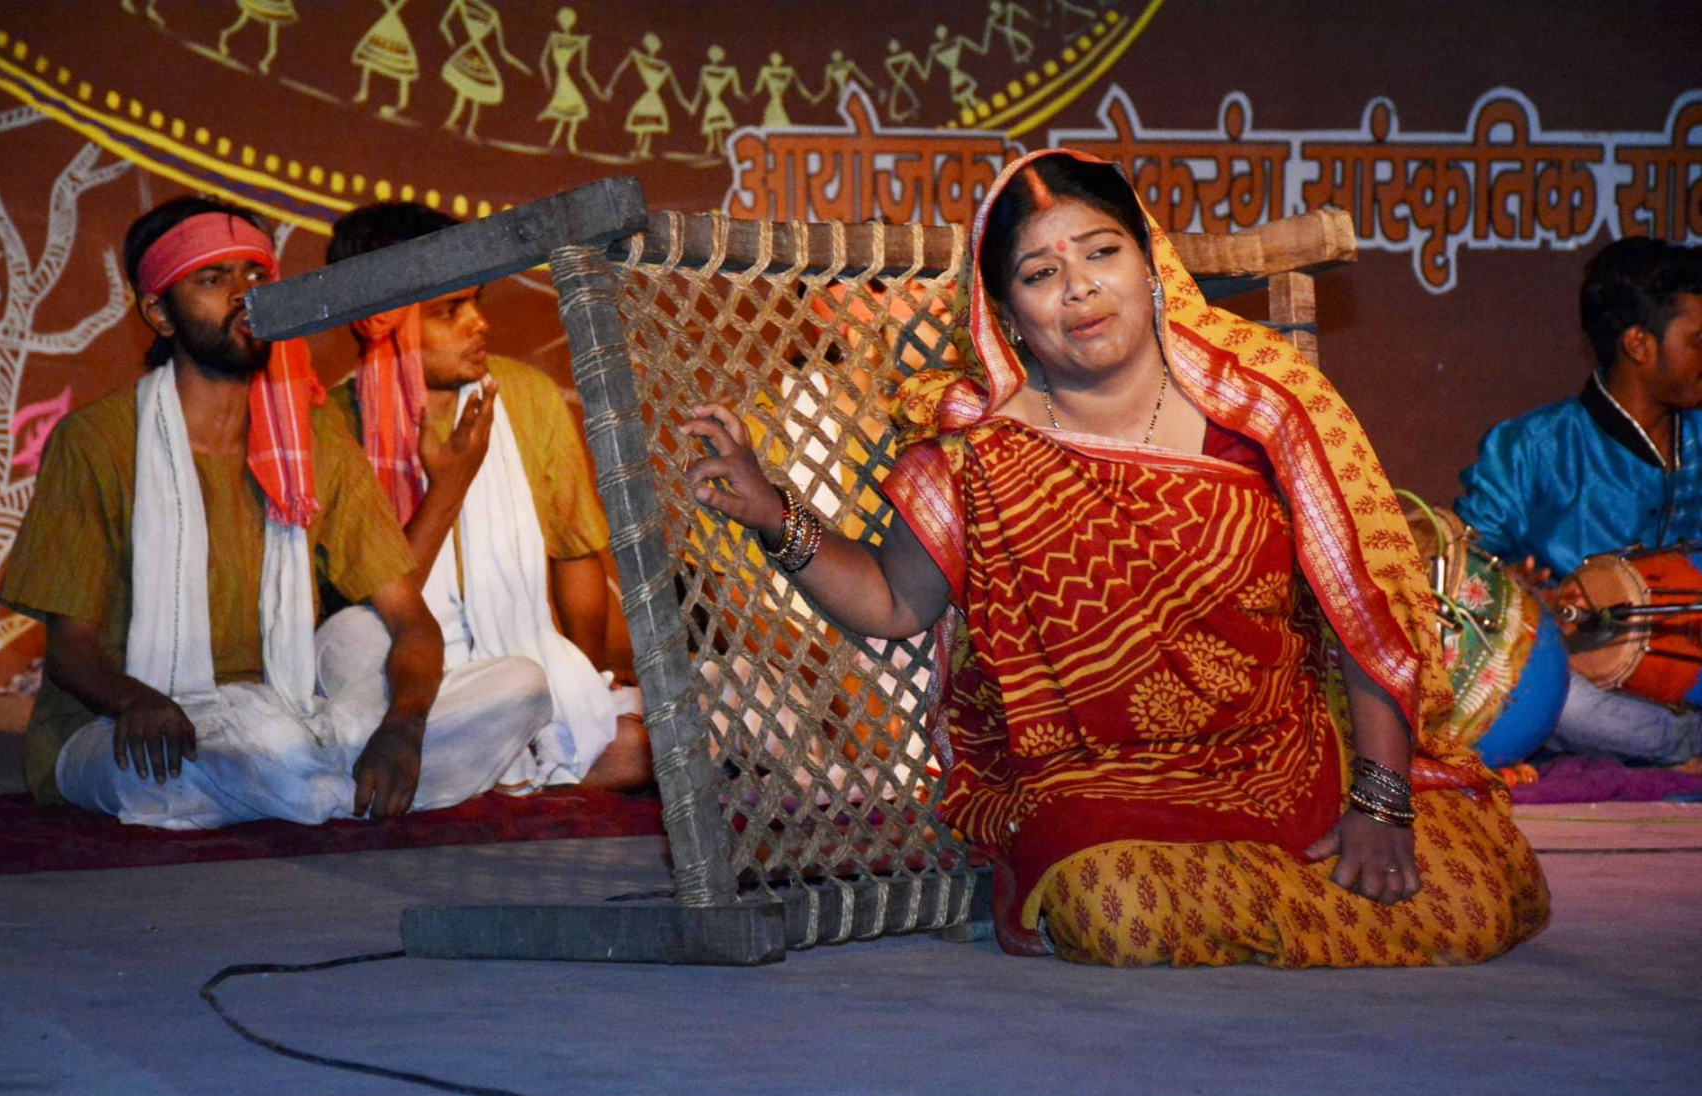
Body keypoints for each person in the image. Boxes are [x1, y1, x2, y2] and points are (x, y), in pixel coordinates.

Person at [684, 149, 1549, 967]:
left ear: (1151, 265)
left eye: (1102, 253)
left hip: (1284, 759)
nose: (1080, 288)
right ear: (1007, 315)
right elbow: (891, 601)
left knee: (1477, 893)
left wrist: (1381, 804)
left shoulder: (1268, 407)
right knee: (1114, 906)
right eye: (1040, 274)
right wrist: (773, 514)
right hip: (1104, 790)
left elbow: (1363, 614)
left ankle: (1272, 897)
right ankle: (1285, 907)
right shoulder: (977, 453)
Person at [0, 197, 551, 828]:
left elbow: (411, 622)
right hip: (132, 729)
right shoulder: (95, 442)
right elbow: (71, 653)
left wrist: (403, 727)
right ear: (159, 313)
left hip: (287, 711)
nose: (244, 296)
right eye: (213, 279)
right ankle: (326, 789)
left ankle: (308, 784)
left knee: (520, 687)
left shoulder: (312, 438)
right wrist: (136, 703)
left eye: (257, 275)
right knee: (171, 774)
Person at [322, 202, 650, 791]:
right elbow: (375, 616)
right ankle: (503, 760)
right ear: (378, 321)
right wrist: (449, 488)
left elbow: (575, 551)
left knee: (668, 728)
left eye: (476, 301)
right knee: (353, 643)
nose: (479, 323)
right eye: (449, 311)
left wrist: (590, 676)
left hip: (522, 672)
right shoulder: (333, 426)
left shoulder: (526, 396)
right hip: (398, 679)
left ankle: (506, 761)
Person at [1455, 239, 1702, 766]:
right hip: (1581, 680)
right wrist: (1516, 592)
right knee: (1558, 705)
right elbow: (1460, 571)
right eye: (1698, 341)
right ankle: (1680, 743)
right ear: (1639, 344)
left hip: (1692, 669)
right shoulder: (1531, 448)